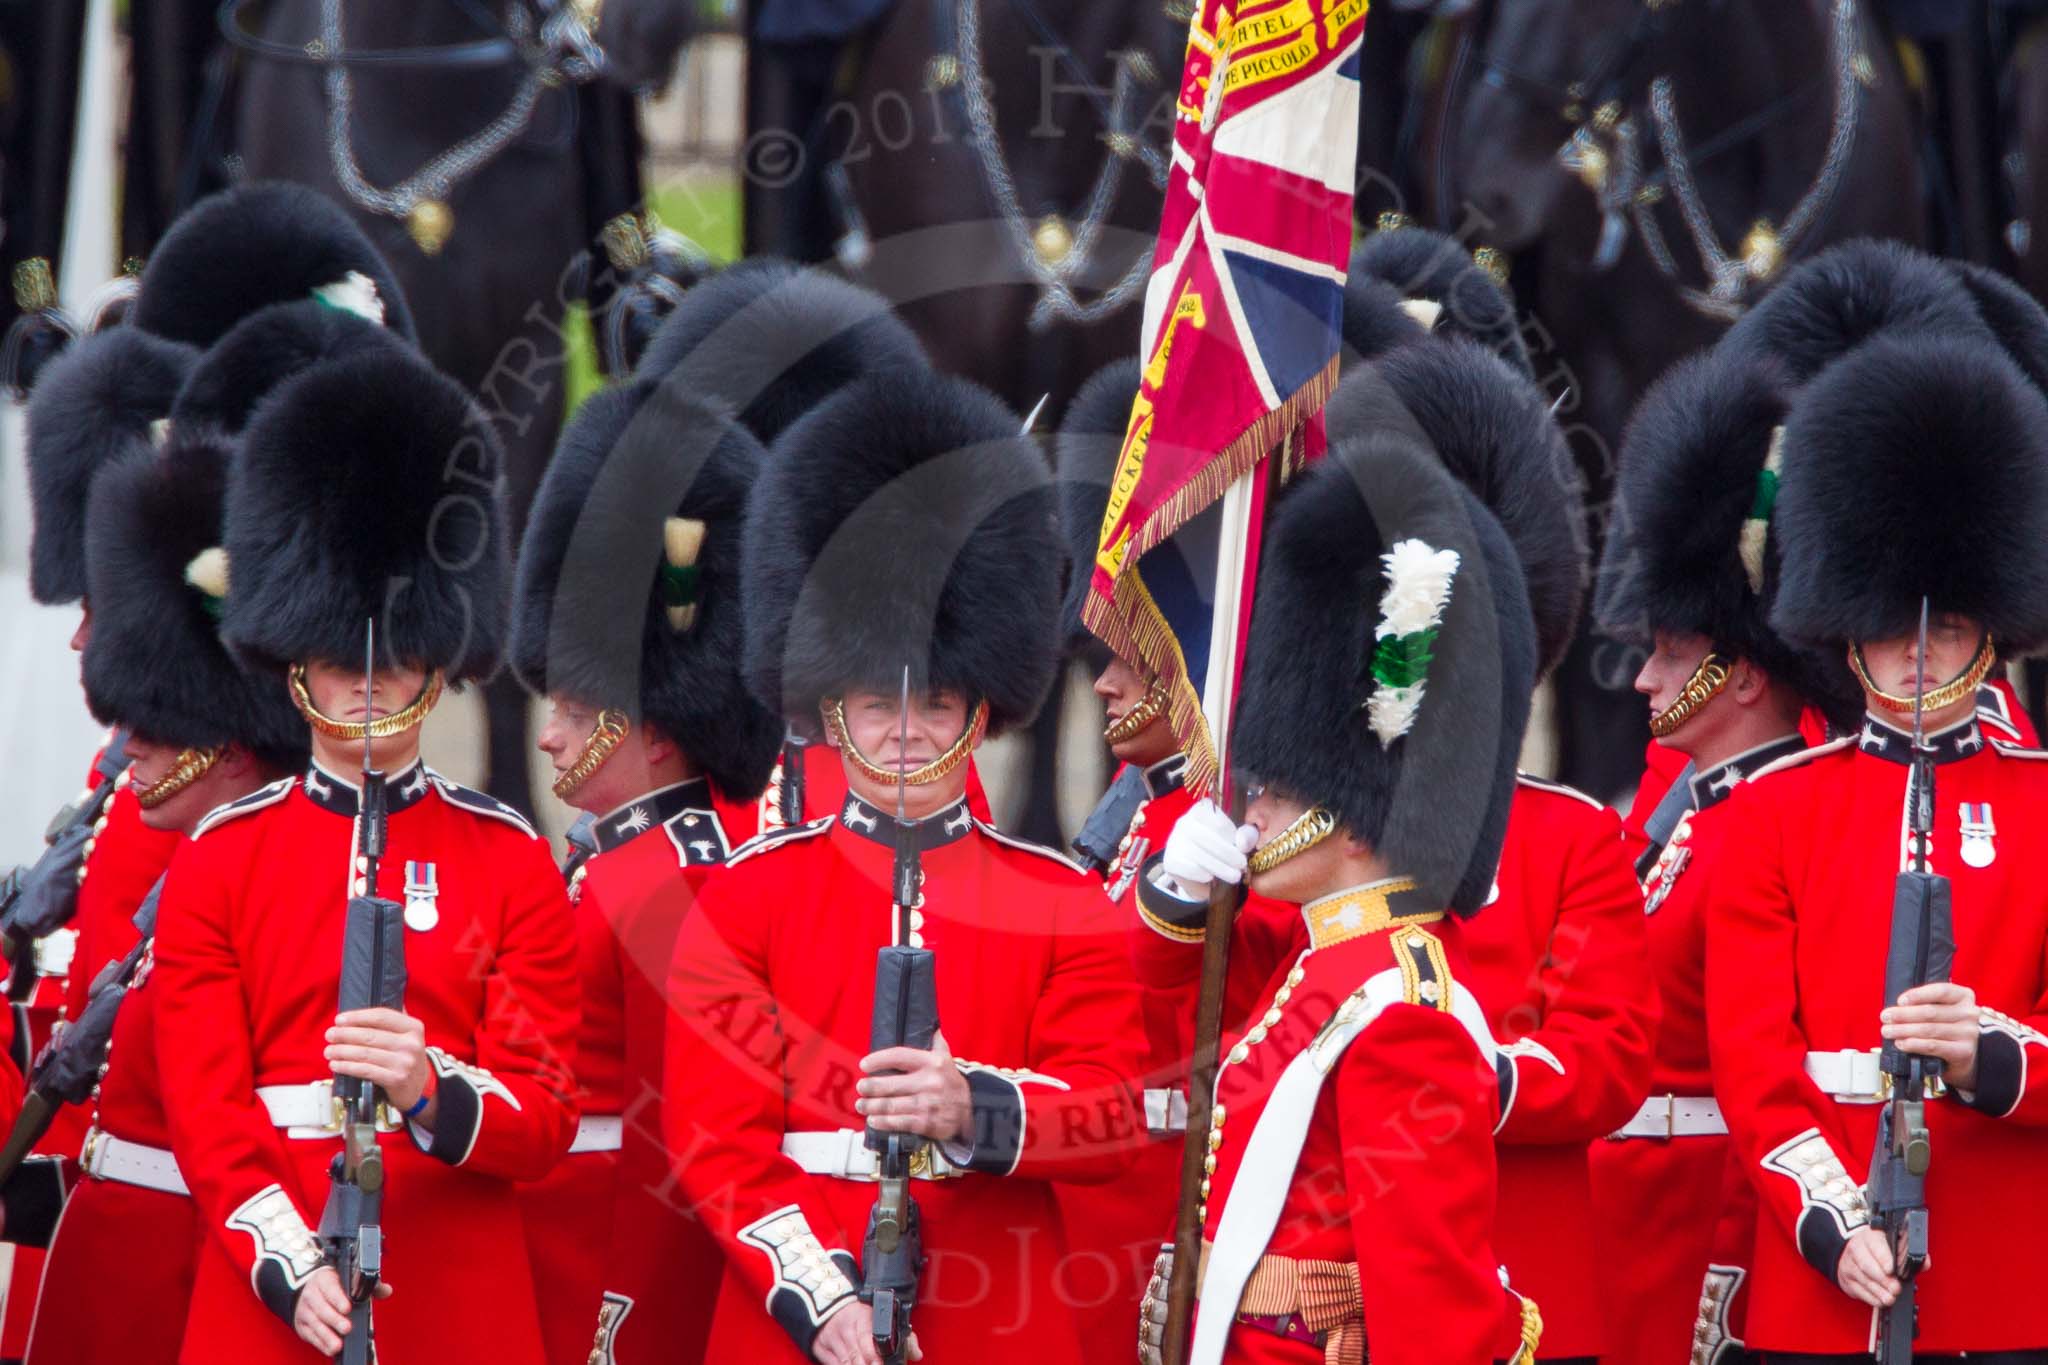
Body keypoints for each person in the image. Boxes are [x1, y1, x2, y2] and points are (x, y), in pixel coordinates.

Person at [664, 366, 1146, 1364]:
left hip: (996, 1312)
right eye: (880, 708)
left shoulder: (1057, 900)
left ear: (979, 708)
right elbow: (718, 1144)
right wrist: (818, 1297)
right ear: (833, 707)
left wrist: (972, 1104)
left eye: (934, 706)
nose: (905, 734)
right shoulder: (749, 895)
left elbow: (1110, 1116)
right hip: (793, 1305)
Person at [150, 344, 579, 1365]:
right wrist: (287, 1267)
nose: (369, 683)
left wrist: (430, 1086)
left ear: (440, 660)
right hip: (275, 1277)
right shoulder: (223, 857)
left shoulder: (507, 857)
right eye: (341, 662)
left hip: (453, 1285)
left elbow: (547, 1104)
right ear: (296, 659)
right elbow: (206, 1114)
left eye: (393, 660)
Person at [1135, 432, 1541, 1365]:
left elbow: (1432, 1309)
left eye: (1279, 788)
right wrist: (1181, 898)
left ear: (1359, 818)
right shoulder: (1327, 963)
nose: (1256, 806)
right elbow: (1174, 1030)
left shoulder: (1404, 1012)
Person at [1705, 325, 2048, 1361]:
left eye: (1940, 630)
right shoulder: (1772, 814)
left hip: (2004, 1277)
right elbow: (1752, 1060)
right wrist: (1824, 1217)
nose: (1912, 653)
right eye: (1891, 627)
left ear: (1986, 631)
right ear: (1843, 626)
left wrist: (1992, 1051)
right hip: (1823, 1271)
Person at [1331, 297, 1658, 1364]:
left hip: (1524, 1279)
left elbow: (1608, 1061)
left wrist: (1475, 1076)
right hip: (1336, 1279)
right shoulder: (1316, 841)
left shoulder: (1570, 838)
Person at [1584, 344, 1861, 1365]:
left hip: (1714, 1232)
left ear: (1741, 675)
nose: (1643, 679)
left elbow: (1772, 1072)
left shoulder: (1782, 822)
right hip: (1632, 1216)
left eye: (1670, 652)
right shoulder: (1692, 809)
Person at [15, 419, 312, 1364]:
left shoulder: (255, 863)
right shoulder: (155, 818)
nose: (129, 735)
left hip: (188, 1276)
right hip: (103, 1252)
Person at [510, 377, 784, 1365]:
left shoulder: (679, 879)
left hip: (610, 1264)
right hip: (552, 1238)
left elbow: (683, 1141)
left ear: (654, 730)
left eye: (579, 715)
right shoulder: (614, 861)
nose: (547, 739)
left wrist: (633, 1310)